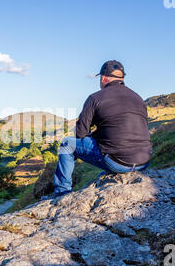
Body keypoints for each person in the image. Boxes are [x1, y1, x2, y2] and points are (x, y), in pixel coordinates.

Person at [50, 60, 152, 198]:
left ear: (103, 78)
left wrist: (95, 133)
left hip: (117, 162)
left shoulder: (95, 98)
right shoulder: (138, 98)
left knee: (67, 144)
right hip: (144, 161)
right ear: (122, 78)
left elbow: (80, 133)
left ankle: (61, 192)